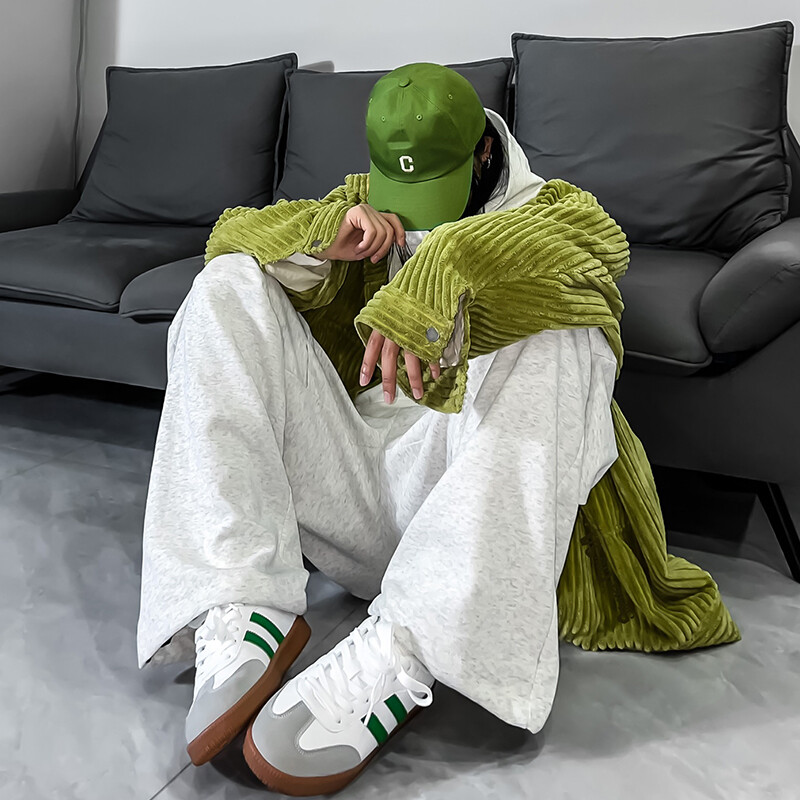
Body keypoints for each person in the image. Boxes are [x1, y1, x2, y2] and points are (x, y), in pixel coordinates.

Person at [137, 63, 738, 796]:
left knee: (564, 331)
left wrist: (448, 265)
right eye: (404, 191)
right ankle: (243, 596)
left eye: (435, 189)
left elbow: (598, 255)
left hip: (475, 524)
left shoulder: (556, 210)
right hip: (357, 494)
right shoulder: (361, 205)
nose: (416, 214)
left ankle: (410, 645)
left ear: (485, 153)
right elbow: (229, 234)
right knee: (225, 283)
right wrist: (317, 239)